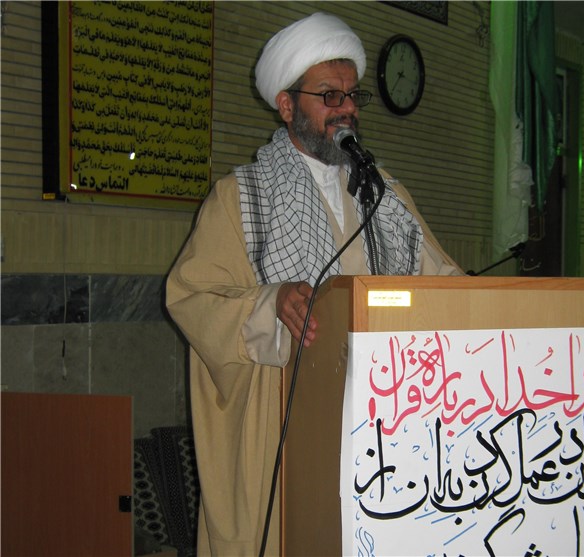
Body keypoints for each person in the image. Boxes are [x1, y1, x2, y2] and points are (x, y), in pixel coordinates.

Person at [165, 12, 461, 556]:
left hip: (383, 426)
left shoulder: (386, 195)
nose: (346, 108)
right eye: (329, 96)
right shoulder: (241, 197)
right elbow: (192, 296)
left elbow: (446, 285)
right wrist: (271, 303)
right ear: (286, 105)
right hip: (284, 423)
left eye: (352, 96)